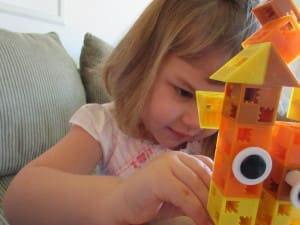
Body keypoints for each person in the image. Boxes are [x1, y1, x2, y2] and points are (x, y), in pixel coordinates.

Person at [3, 0, 260, 225]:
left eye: (220, 106)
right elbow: (18, 202)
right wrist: (122, 197)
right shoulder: (104, 126)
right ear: (141, 66)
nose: (195, 121)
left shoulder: (222, 142)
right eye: (183, 92)